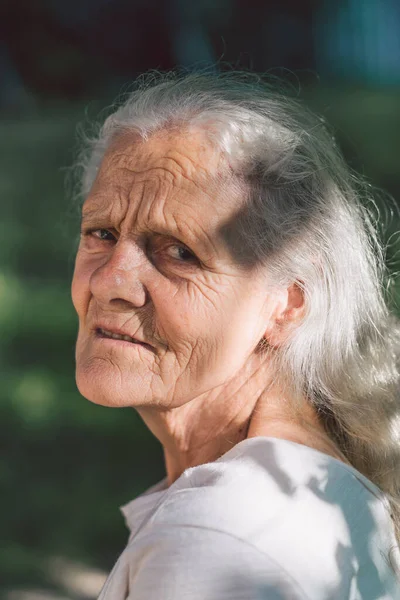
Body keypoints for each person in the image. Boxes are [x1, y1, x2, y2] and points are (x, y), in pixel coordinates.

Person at [71, 70, 400, 599]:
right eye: (101, 233)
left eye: (179, 251)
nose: (111, 281)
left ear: (288, 303)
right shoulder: (311, 492)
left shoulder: (216, 542)